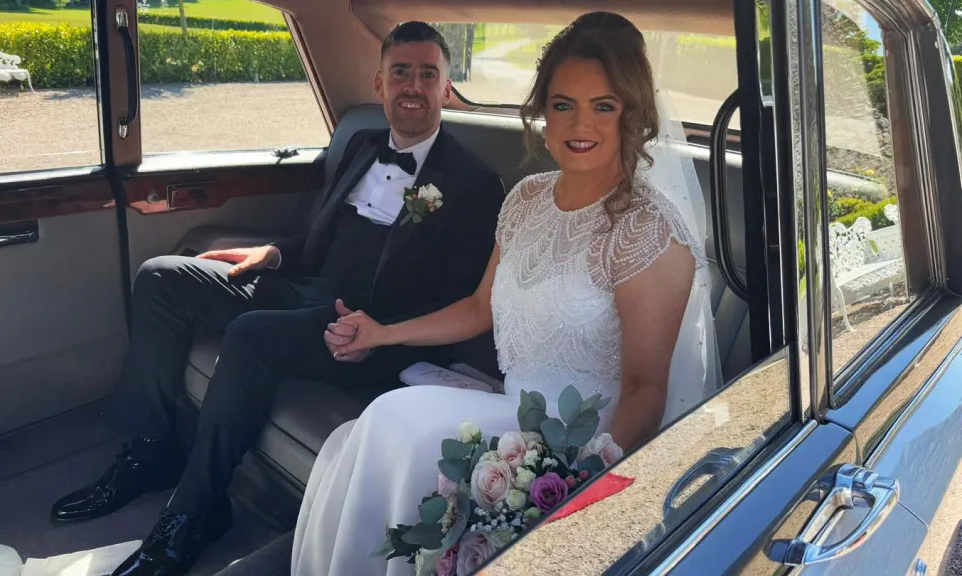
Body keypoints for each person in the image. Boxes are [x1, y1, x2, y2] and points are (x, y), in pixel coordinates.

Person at [47, 22, 505, 576]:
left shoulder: (475, 183)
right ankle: (150, 448)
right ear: (379, 83)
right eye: (401, 72)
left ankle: (196, 512)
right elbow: (319, 239)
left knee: (250, 334)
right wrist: (274, 253)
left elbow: (460, 301)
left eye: (428, 74)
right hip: (303, 289)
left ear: (446, 89)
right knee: (160, 277)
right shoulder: (361, 146)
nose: (413, 86)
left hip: (372, 330)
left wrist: (380, 338)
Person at [289, 12, 722, 576]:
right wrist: (383, 333)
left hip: (581, 443)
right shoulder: (525, 199)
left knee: (401, 426)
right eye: (563, 104)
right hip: (512, 412)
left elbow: (646, 389)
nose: (579, 124)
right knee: (382, 423)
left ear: (632, 114)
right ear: (543, 110)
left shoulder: (647, 229)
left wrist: (578, 487)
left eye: (603, 106)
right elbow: (477, 309)